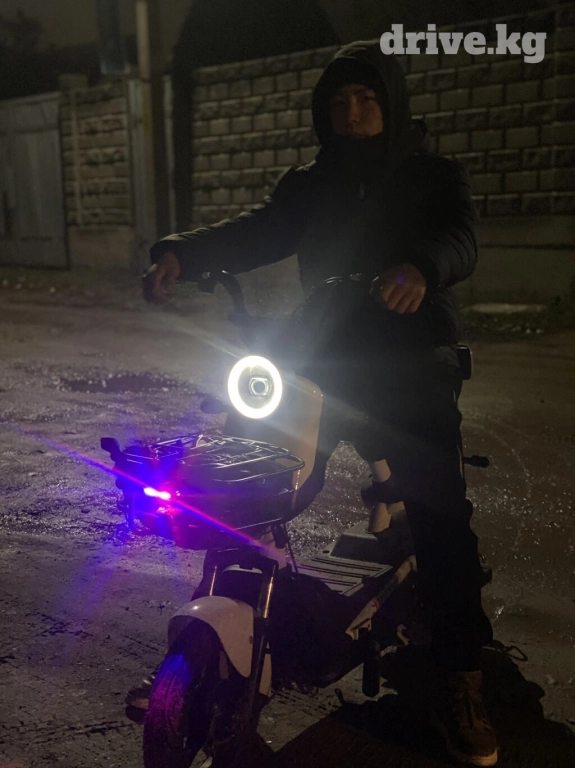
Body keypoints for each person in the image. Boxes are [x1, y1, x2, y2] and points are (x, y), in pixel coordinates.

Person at [140, 41, 497, 767]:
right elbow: (257, 230)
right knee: (254, 472)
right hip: (324, 356)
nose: (351, 112)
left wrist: (420, 267)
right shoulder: (312, 182)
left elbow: (459, 237)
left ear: (390, 104)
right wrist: (182, 251)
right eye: (338, 102)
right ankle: (237, 627)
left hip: (408, 360)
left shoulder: (432, 175)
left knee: (441, 517)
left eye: (365, 99)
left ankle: (461, 678)